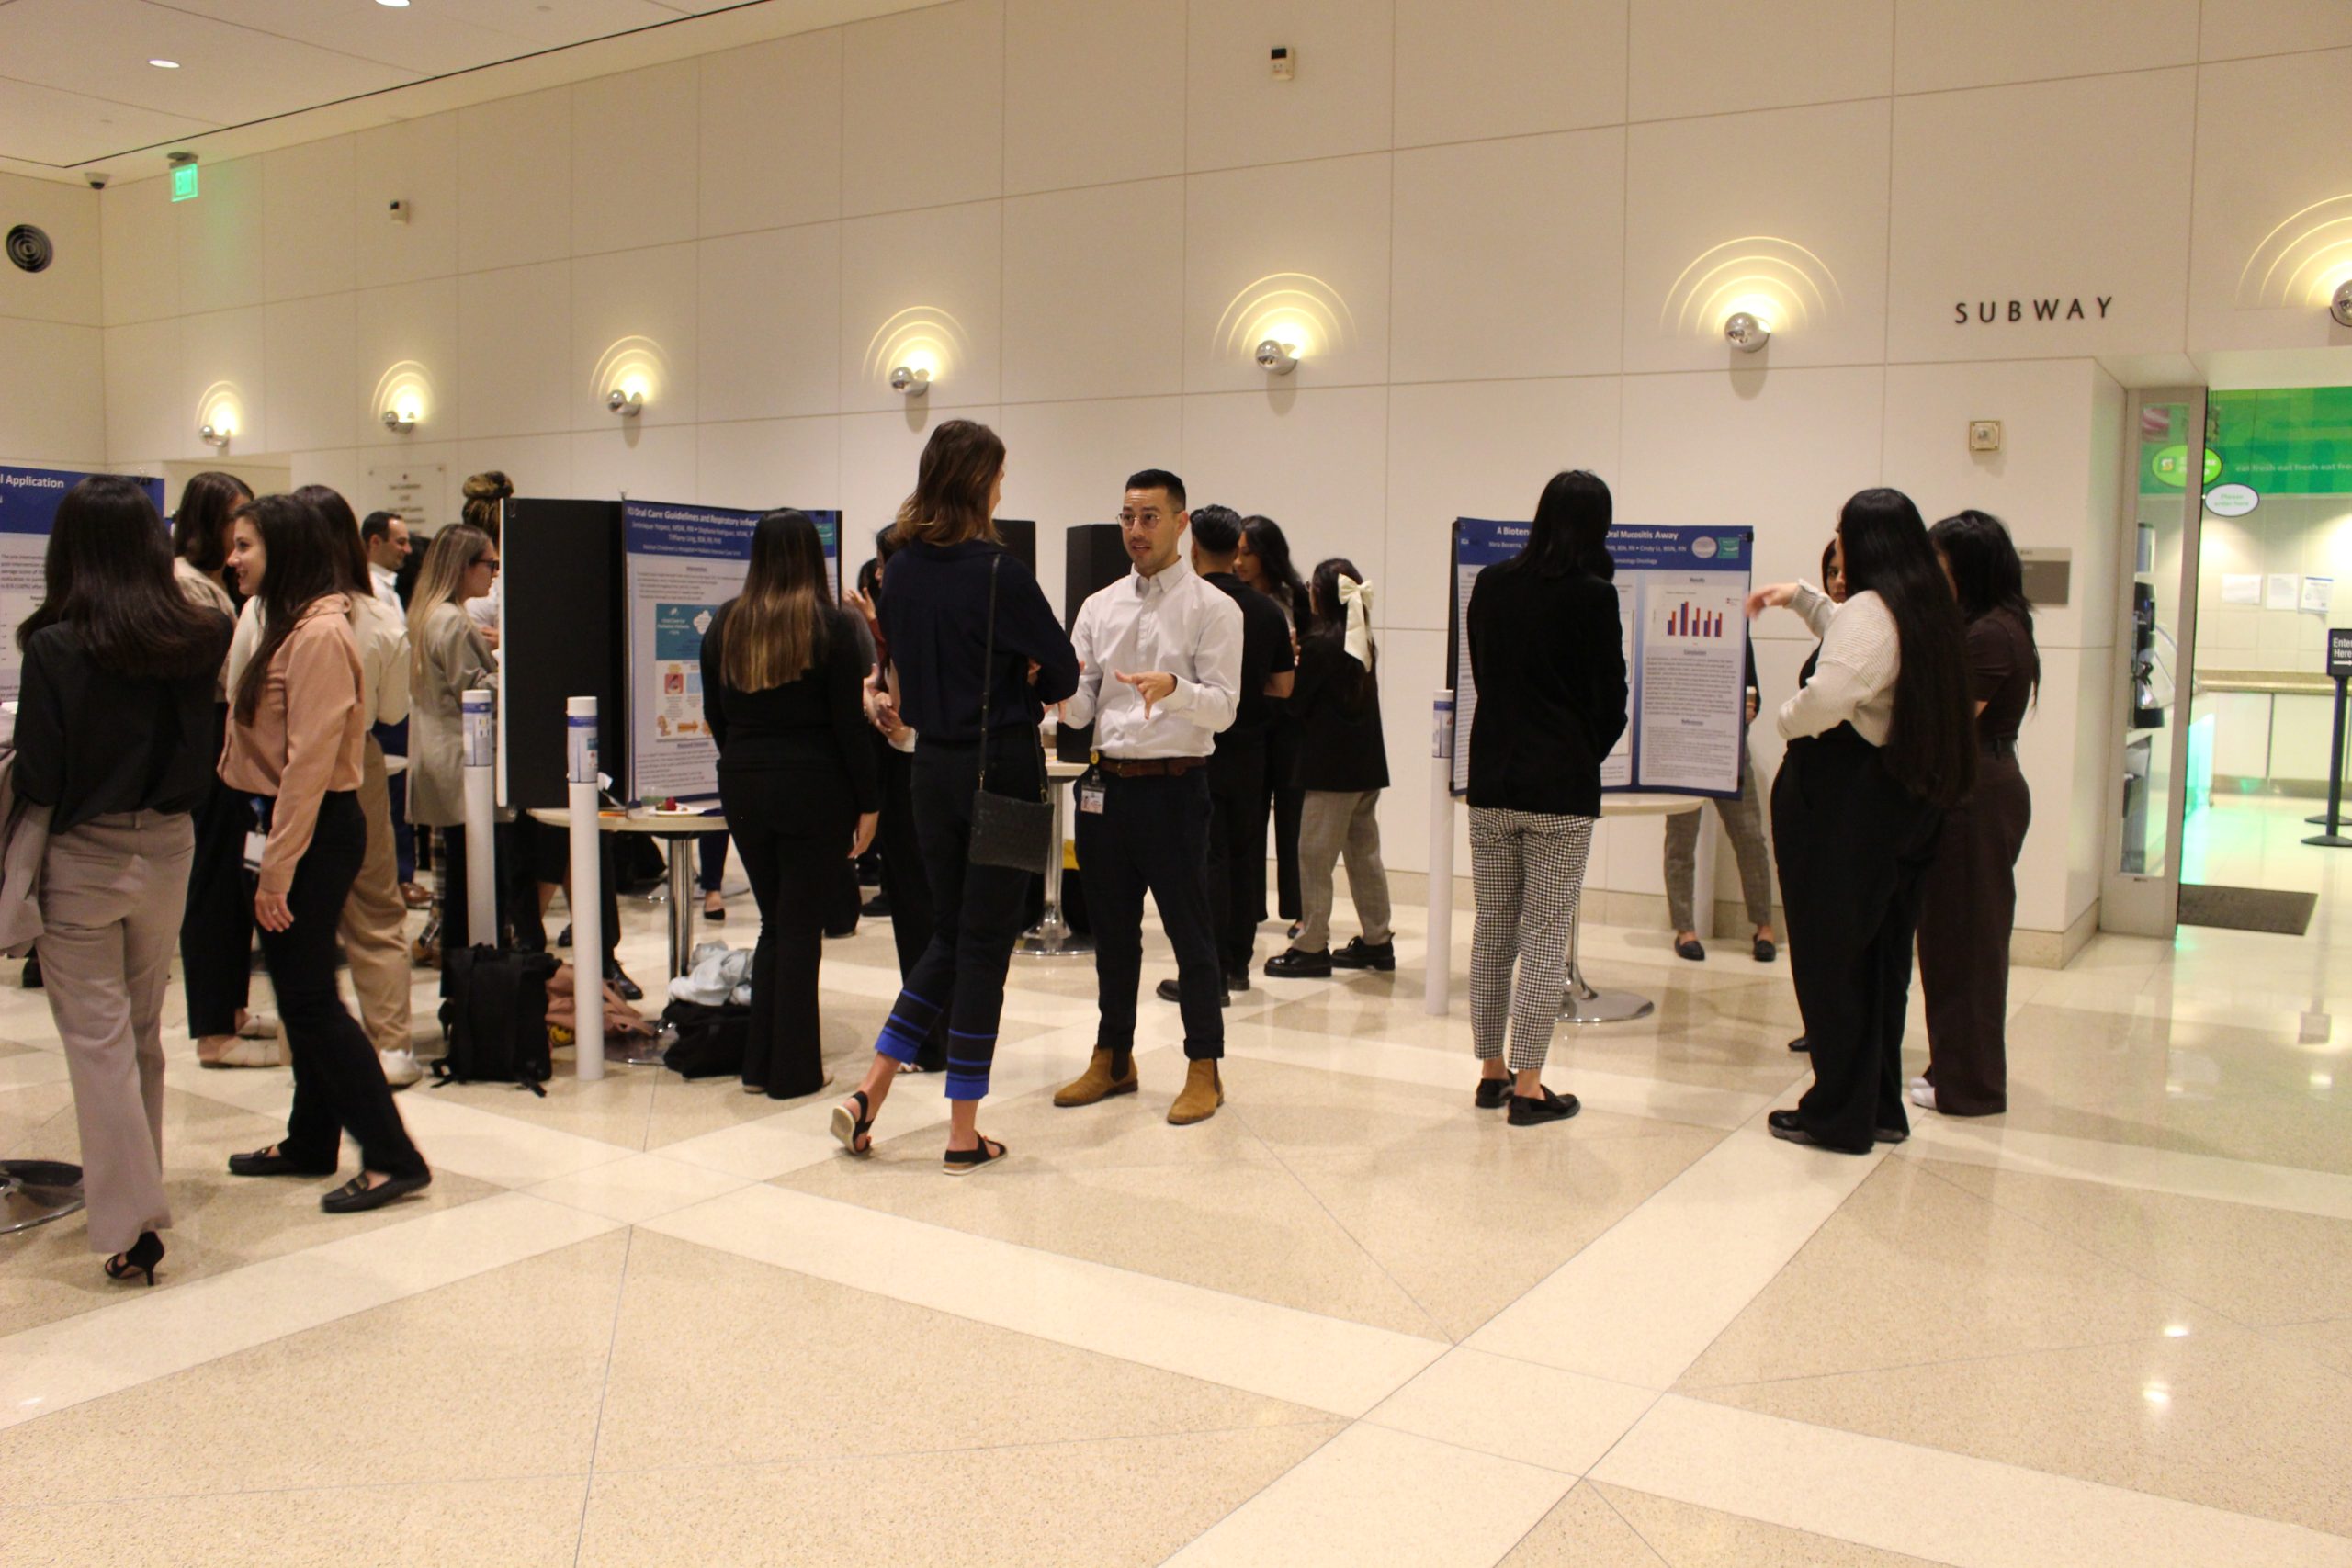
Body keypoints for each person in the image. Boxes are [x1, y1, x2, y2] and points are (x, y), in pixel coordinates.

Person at [833, 419, 1079, 1171]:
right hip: (1001, 770)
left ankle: (871, 1088)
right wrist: (1028, 676)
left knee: (950, 932)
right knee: (983, 949)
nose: (1004, 488)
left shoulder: (899, 570)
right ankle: (963, 1133)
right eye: (999, 476)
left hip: (930, 770)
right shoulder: (1001, 573)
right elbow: (1065, 673)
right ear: (980, 481)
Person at [16, 476, 233, 1285]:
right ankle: (137, 1199)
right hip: (169, 846)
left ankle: (127, 1221)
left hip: (84, 853)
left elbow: (39, 772)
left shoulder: (55, 647)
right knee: (140, 1032)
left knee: (99, 1040)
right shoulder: (201, 631)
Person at [219, 493, 432, 1212]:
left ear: (283, 549)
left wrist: (276, 868)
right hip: (292, 823)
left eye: (246, 545)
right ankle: (311, 1137)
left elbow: (309, 763)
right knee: (301, 989)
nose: (233, 558)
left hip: (312, 828)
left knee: (310, 1000)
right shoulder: (290, 624)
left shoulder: (317, 636)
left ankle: (393, 1154)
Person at [1747, 488, 1976, 1155]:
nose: (1837, 544)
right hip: (1898, 804)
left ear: (1864, 541)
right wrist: (1800, 596)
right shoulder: (1920, 604)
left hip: (1842, 803)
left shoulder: (1872, 613)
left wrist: (1787, 723)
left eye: (1841, 532)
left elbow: (1838, 688)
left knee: (1830, 961)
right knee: (1876, 964)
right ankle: (1875, 1104)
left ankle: (1836, 1111)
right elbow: (1854, 641)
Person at [1052, 469, 1241, 1124]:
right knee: (1112, 935)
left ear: (1182, 522)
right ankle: (1114, 1057)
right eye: (1128, 516)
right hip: (1105, 790)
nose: (1136, 530)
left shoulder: (1215, 608)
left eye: (1150, 517)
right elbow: (1080, 708)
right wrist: (1049, 690)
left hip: (1175, 789)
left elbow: (1224, 709)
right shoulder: (1099, 605)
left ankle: (1204, 1067)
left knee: (1191, 934)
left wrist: (1175, 689)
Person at [1464, 471, 1627, 1125]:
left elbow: (1484, 671)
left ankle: (1491, 1072)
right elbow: (1610, 699)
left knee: (1492, 931)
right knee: (1545, 934)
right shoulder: (1593, 597)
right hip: (1559, 786)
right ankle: (1530, 1085)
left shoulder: (1492, 584)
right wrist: (1581, 748)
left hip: (1492, 779)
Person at [703, 510, 881, 1100]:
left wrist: (746, 762)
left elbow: (715, 716)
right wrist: (869, 801)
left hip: (744, 782)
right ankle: (794, 1071)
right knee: (800, 928)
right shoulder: (829, 628)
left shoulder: (725, 625)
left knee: (776, 923)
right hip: (813, 786)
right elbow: (847, 728)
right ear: (812, 557)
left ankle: (762, 1062)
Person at [1914, 509, 2038, 1117]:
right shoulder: (1994, 625)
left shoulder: (1990, 633)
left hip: (1976, 795)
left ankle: (1971, 1087)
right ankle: (1952, 1068)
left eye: (1940, 565)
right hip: (1976, 787)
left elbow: (1950, 717)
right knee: (1953, 939)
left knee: (1966, 944)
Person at [295, 487, 419, 1086]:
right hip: (356, 759)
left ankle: (312, 1039)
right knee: (375, 907)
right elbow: (395, 708)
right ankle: (390, 1043)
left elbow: (235, 687)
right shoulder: (376, 616)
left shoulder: (267, 612)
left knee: (290, 912)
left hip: (279, 772)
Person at [1157, 504, 1294, 1003]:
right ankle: (1238, 963)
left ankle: (1206, 970)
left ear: (1191, 544)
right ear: (1239, 547)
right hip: (1252, 749)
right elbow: (1283, 685)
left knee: (1204, 859)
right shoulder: (1265, 610)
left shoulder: (1190, 605)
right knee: (1245, 854)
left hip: (1199, 749)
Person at [168, 470, 281, 1068]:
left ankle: (232, 1008)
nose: (239, 538)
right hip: (206, 745)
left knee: (236, 879)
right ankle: (213, 1029)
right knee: (212, 883)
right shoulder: (186, 586)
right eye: (232, 520)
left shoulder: (214, 586)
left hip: (227, 742)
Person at [845, 525, 947, 1074]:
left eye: (885, 565)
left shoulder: (905, 620)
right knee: (938, 910)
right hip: (930, 771)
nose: (880, 576)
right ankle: (942, 1034)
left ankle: (926, 1040)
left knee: (918, 910)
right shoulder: (929, 613)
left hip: (916, 774)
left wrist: (878, 705)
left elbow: (907, 713)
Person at [1263, 558, 1392, 978]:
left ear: (1321, 595)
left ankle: (1312, 944)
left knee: (1314, 858)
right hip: (1366, 767)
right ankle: (1377, 940)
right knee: (1364, 855)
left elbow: (1297, 704)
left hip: (1330, 770)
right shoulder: (1360, 639)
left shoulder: (1321, 646)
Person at [403, 525, 504, 956]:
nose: (495, 574)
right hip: (464, 767)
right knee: (471, 889)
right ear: (463, 567)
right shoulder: (451, 621)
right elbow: (476, 695)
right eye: (489, 564)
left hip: (441, 761)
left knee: (457, 886)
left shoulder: (430, 613)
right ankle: (470, 984)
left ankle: (461, 980)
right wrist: (511, 667)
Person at [1662, 645, 1779, 964]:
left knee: (1750, 837)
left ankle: (1764, 927)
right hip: (1683, 743)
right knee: (1681, 839)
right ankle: (1685, 929)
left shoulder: (1734, 627)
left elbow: (1753, 691)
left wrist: (1750, 710)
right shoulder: (1672, 630)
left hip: (1729, 746)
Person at [1784, 536, 1846, 1055]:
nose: (1838, 580)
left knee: (1831, 918)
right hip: (1810, 783)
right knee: (1808, 917)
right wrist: (1799, 595)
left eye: (1847, 568)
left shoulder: (1869, 632)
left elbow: (1825, 702)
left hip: (1836, 792)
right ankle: (1821, 1022)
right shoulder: (1842, 626)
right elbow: (1825, 614)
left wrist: (1788, 720)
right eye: (1831, 569)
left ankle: (1833, 1025)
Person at [1238, 515, 1309, 937]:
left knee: (1293, 817)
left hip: (1291, 719)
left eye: (1248, 553)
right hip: (1250, 717)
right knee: (1248, 818)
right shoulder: (1232, 597)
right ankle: (1249, 907)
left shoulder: (1295, 597)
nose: (1240, 561)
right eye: (1238, 551)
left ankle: (1301, 910)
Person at [360, 511, 410, 612]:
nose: (408, 549)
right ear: (375, 542)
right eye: (401, 542)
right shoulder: (373, 587)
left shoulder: (383, 584)